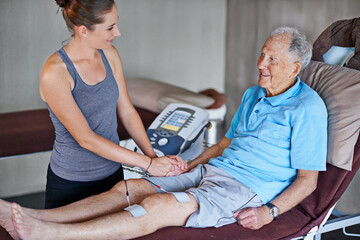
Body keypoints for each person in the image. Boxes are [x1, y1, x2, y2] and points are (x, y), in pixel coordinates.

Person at [0, 26, 328, 240]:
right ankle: (33, 216)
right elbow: (227, 142)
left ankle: (45, 234)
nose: (261, 63)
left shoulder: (307, 109)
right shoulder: (253, 94)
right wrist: (192, 163)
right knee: (127, 188)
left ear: (295, 69)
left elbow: (308, 181)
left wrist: (268, 212)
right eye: (262, 53)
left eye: (272, 59)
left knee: (156, 205)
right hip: (214, 170)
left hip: (247, 189)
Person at [41, 0, 186, 209]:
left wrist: (154, 159)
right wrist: (149, 164)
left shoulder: (110, 55)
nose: (117, 32)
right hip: (71, 182)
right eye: (109, 27)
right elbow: (86, 139)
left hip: (112, 175)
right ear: (83, 30)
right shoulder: (55, 72)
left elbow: (127, 111)